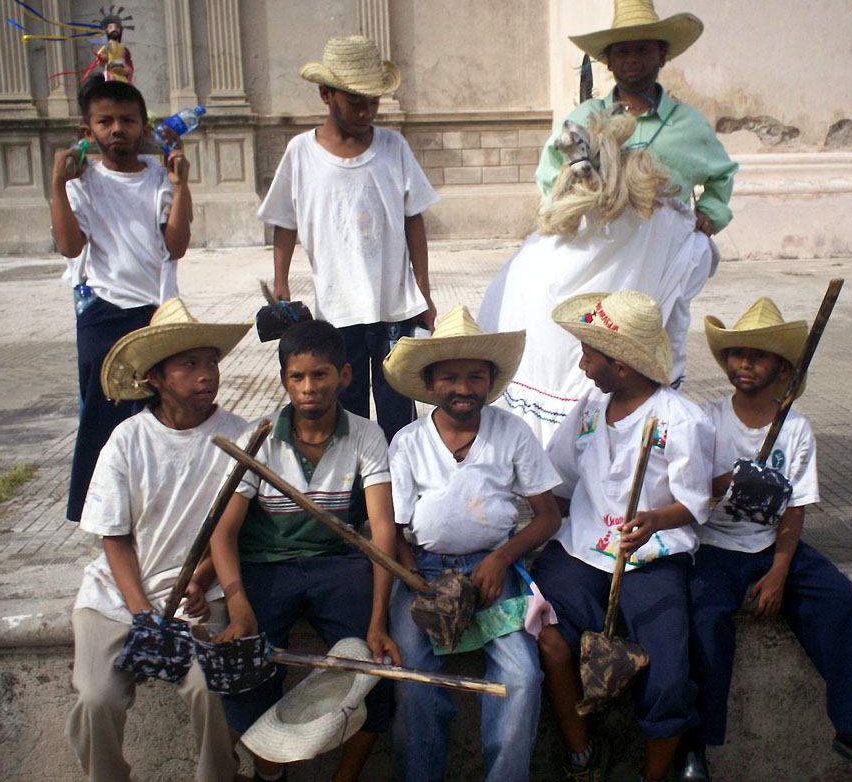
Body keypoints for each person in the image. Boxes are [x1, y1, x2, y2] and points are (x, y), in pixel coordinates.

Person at [677, 298, 852, 782]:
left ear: (783, 367)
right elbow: (686, 491)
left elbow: (796, 507)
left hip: (771, 544)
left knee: (840, 599)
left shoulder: (797, 430)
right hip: (714, 546)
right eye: (737, 354)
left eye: (758, 357)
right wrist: (729, 481)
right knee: (705, 619)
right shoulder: (704, 419)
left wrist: (780, 571)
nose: (745, 364)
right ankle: (692, 746)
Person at [531, 290, 714, 782]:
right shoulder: (590, 407)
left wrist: (656, 519)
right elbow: (561, 479)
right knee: (547, 638)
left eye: (590, 354)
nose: (582, 362)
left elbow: (696, 504)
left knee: (669, 676)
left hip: (650, 560)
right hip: (579, 554)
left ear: (623, 366)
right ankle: (583, 756)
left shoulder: (683, 421)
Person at [66, 298, 251, 782]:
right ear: (156, 378)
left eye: (211, 362)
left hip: (195, 598)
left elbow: (232, 530)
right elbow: (115, 539)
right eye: (189, 365)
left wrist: (203, 577)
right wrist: (142, 612)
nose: (206, 374)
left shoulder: (239, 437)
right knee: (95, 698)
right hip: (116, 596)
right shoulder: (126, 440)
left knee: (211, 689)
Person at [209, 318, 399, 782]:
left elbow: (382, 531)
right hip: (267, 566)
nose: (309, 388)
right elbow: (222, 532)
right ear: (284, 381)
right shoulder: (260, 436)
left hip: (336, 564)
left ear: (345, 376)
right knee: (247, 671)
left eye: (321, 375)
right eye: (297, 377)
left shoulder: (366, 435)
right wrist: (237, 604)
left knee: (375, 676)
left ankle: (344, 777)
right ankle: (270, 770)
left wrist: (377, 622)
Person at [381, 306, 563, 782]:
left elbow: (548, 516)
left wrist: (502, 558)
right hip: (422, 569)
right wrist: (418, 584)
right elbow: (398, 533)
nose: (463, 389)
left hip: (492, 570)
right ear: (430, 383)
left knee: (522, 678)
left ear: (490, 382)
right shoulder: (407, 442)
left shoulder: (513, 433)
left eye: (475, 377)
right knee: (413, 680)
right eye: (450, 378)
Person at [479, 109, 716, 447]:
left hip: (555, 368)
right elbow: (699, 263)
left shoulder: (554, 234)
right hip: (611, 377)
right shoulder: (660, 222)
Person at [259, 34, 439, 443]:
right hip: (337, 309)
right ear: (326, 94)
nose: (366, 111)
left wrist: (424, 296)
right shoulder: (301, 153)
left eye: (373, 102)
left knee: (399, 410)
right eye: (356, 101)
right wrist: (282, 282)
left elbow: (414, 221)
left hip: (394, 307)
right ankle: (356, 495)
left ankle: (399, 491)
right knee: (349, 412)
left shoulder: (393, 147)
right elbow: (284, 222)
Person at [51, 77, 191, 522]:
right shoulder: (84, 184)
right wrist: (57, 186)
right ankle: (97, 510)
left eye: (128, 120)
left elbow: (176, 246)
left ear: (142, 127)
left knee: (159, 411)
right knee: (103, 411)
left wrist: (181, 186)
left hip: (155, 312)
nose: (118, 130)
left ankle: (155, 503)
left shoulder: (157, 179)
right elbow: (71, 248)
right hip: (103, 311)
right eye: (105, 121)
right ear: (86, 129)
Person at [535, 0, 737, 237]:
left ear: (662, 56)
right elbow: (550, 174)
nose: (632, 59)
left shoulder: (689, 124)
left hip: (665, 250)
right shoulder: (583, 119)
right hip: (598, 253)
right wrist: (561, 216)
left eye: (642, 50)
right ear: (609, 61)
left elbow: (723, 174)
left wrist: (710, 213)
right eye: (622, 52)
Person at [94, 9, 134, 83]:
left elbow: (129, 64)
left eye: (117, 27)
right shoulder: (106, 47)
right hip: (110, 76)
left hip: (122, 77)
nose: (114, 29)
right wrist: (103, 58)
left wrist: (125, 70)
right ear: (106, 31)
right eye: (110, 27)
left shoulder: (124, 49)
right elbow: (98, 58)